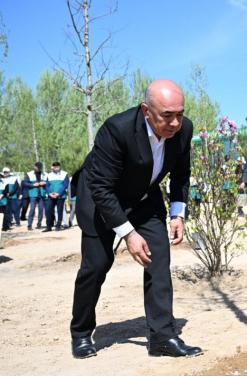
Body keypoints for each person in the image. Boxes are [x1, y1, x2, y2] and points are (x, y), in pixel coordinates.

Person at [69, 79, 201, 359]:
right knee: (97, 265)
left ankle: (162, 337)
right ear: (146, 110)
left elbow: (181, 173)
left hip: (143, 198)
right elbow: (101, 187)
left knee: (159, 259)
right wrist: (128, 234)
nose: (175, 123)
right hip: (99, 198)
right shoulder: (117, 129)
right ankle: (80, 332)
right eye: (167, 115)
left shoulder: (184, 129)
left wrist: (177, 213)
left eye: (180, 114)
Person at [43, 162, 69, 232]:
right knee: (48, 211)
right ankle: (49, 226)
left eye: (57, 167)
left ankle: (58, 225)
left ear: (60, 167)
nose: (56, 168)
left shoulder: (64, 174)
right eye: (55, 167)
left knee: (59, 211)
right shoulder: (49, 175)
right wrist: (49, 193)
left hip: (60, 196)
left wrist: (59, 193)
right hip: (51, 196)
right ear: (53, 167)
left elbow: (65, 185)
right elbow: (47, 185)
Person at [23, 162, 47, 230]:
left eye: (40, 167)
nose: (39, 168)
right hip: (33, 194)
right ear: (34, 166)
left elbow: (49, 182)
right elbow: (24, 183)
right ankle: (29, 224)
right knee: (32, 209)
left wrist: (45, 182)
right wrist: (32, 185)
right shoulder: (30, 174)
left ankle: (39, 224)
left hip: (41, 194)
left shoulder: (45, 174)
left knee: (41, 210)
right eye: (38, 167)